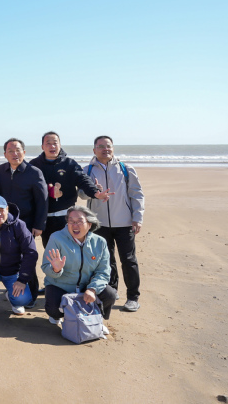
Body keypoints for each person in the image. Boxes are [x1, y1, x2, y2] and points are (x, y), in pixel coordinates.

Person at [79, 136, 145, 312]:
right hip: (99, 224)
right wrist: (93, 191)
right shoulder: (87, 170)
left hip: (124, 223)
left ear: (113, 148)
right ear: (94, 150)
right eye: (101, 146)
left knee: (128, 260)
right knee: (107, 261)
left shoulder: (125, 169)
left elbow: (137, 194)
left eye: (108, 146)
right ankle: (112, 291)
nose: (105, 149)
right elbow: (82, 195)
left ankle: (133, 297)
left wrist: (137, 218)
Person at [28, 131, 112, 248]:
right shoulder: (34, 165)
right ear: (42, 146)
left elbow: (83, 179)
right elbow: (27, 189)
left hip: (67, 217)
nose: (52, 146)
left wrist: (95, 192)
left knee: (71, 249)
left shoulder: (69, 164)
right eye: (48, 143)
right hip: (45, 218)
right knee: (51, 250)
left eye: (55, 143)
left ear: (60, 145)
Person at [41, 206, 117, 326]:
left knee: (110, 295)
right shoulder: (56, 238)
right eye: (71, 221)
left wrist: (92, 289)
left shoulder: (100, 242)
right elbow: (46, 267)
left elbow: (103, 271)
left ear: (89, 224)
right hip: (61, 286)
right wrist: (56, 270)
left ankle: (96, 318)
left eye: (79, 221)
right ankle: (60, 316)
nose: (74, 225)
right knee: (53, 310)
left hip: (86, 286)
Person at [0, 137, 47, 303]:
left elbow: (42, 201)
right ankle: (14, 290)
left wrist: (39, 224)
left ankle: (31, 295)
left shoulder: (34, 172)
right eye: (10, 151)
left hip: (27, 223)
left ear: (24, 152)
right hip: (6, 223)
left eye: (18, 150)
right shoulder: (0, 170)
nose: (14, 154)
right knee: (11, 257)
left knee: (27, 258)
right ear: (5, 154)